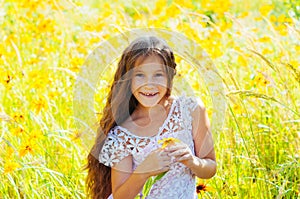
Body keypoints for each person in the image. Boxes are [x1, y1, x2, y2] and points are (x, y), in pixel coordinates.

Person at [85, 36, 216, 199]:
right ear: (128, 79)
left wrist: (192, 161)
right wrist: (143, 171)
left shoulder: (191, 110)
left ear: (170, 75)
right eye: (139, 75)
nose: (149, 84)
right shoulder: (121, 134)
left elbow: (210, 167)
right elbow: (120, 196)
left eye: (158, 75)